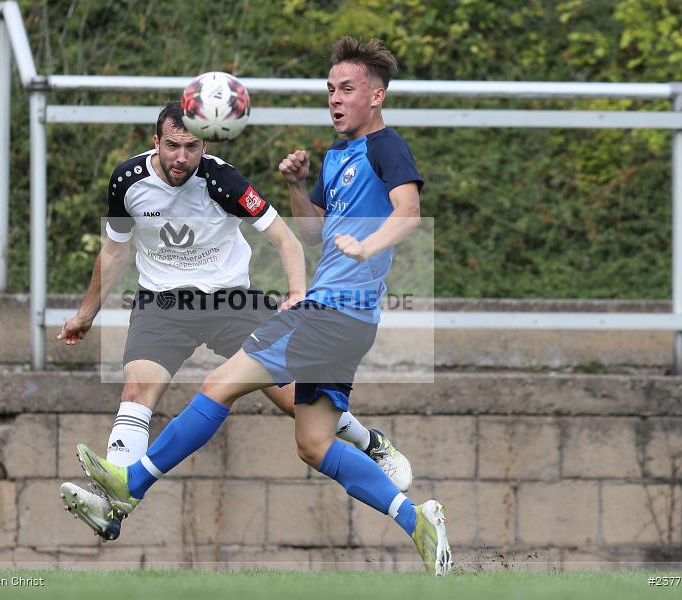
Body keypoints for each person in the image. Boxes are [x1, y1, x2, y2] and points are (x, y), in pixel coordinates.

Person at [74, 39, 453, 575]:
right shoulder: (338, 155)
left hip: (331, 311)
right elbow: (313, 232)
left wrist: (368, 246)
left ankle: (128, 485)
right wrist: (297, 185)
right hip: (347, 321)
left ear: (377, 95)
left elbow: (408, 212)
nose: (335, 98)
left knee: (218, 386)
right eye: (330, 89)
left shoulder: (386, 147)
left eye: (347, 89)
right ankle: (418, 521)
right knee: (314, 443)